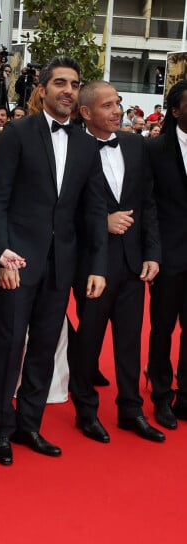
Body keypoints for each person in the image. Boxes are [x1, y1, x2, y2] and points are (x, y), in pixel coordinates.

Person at [0, 56, 108, 466]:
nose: (68, 91)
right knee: (7, 347)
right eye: (60, 82)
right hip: (17, 263)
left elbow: (93, 211)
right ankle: (0, 430)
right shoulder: (18, 133)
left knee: (42, 347)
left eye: (74, 84)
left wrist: (96, 266)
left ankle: (28, 425)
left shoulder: (88, 144)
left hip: (62, 264)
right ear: (42, 89)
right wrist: (1, 256)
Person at [70, 80, 164, 443]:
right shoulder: (74, 147)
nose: (117, 110)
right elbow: (62, 208)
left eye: (118, 103)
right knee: (89, 340)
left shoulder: (135, 144)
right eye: (107, 105)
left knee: (129, 341)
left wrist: (153, 252)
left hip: (132, 261)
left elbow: (148, 204)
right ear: (86, 112)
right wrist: (101, 222)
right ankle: (86, 410)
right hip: (92, 261)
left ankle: (131, 410)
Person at [146, 80, 187, 429]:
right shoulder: (155, 150)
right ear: (176, 110)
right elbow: (148, 207)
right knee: (162, 329)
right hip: (168, 256)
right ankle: (161, 395)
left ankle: (185, 395)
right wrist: (153, 253)